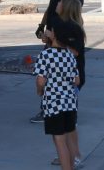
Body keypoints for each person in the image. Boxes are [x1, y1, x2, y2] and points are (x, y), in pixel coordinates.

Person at [31, 0, 86, 123]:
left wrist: (59, 38)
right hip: (52, 37)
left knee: (66, 75)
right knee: (48, 72)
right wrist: (42, 27)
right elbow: (49, 9)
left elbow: (72, 17)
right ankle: (48, 110)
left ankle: (68, 112)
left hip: (63, 38)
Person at [34, 22, 81, 170]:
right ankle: (71, 166)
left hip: (53, 104)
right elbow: (77, 80)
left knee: (59, 140)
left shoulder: (45, 55)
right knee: (67, 138)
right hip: (70, 103)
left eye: (50, 29)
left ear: (55, 34)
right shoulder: (70, 55)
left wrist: (39, 90)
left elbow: (41, 80)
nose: (47, 31)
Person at [46, 0, 86, 167]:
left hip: (69, 79)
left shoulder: (72, 28)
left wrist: (55, 40)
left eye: (61, 1)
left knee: (68, 122)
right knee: (64, 121)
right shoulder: (58, 23)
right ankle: (68, 156)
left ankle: (75, 156)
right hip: (57, 78)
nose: (58, 3)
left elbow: (74, 51)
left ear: (67, 6)